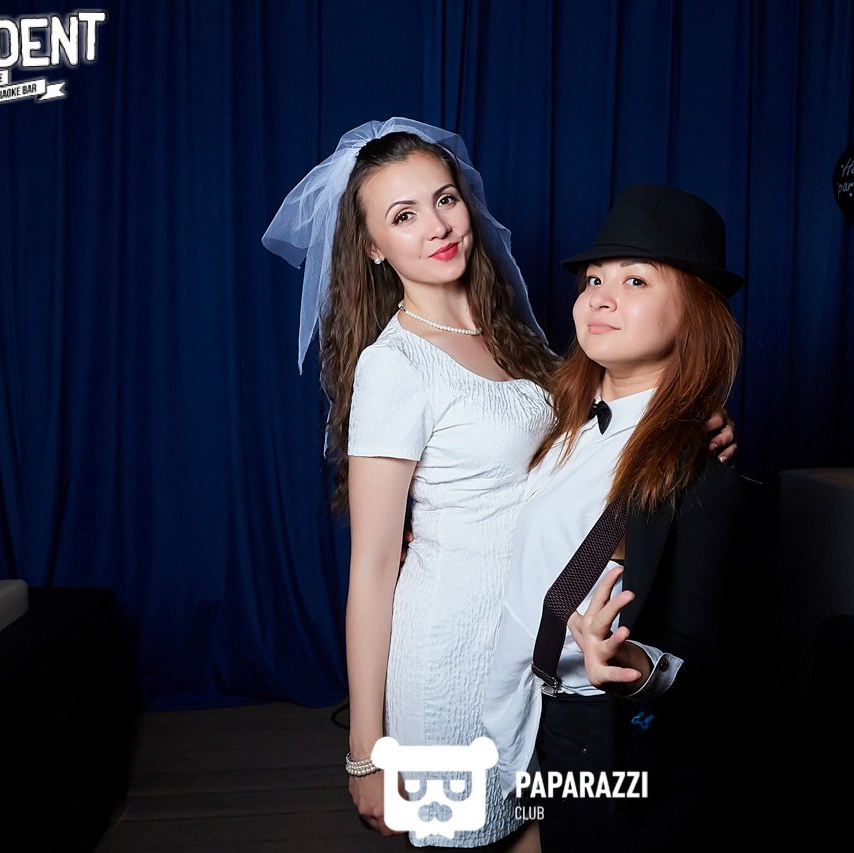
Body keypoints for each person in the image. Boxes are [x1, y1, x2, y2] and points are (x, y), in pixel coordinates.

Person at [262, 121, 735, 849]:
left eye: (444, 198)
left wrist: (695, 420)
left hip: (537, 657)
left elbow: (605, 437)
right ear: (372, 247)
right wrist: (367, 752)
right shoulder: (395, 365)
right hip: (451, 650)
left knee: (539, 831)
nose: (436, 226)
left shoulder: (515, 335)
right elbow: (373, 566)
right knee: (469, 835)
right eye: (403, 215)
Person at [483, 184, 747, 849]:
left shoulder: (700, 465)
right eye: (594, 279)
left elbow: (708, 658)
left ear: (693, 314)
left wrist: (634, 662)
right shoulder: (558, 418)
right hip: (521, 713)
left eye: (635, 280)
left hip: (602, 737)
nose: (600, 296)